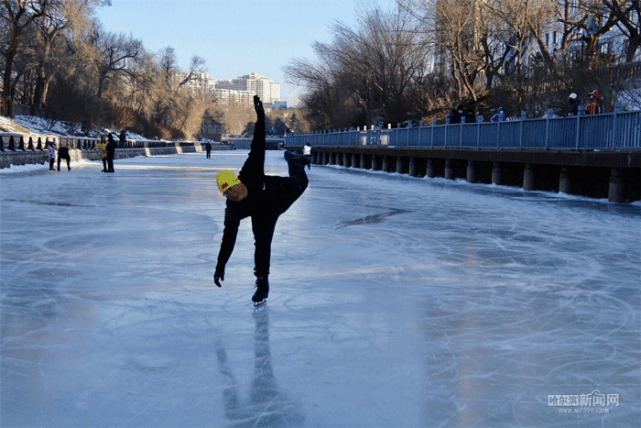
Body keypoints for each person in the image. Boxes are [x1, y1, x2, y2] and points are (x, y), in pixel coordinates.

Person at [214, 96, 309, 305]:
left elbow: (258, 142)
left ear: (237, 182)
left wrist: (260, 115)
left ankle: (296, 162)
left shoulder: (250, 171)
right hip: (264, 214)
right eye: (228, 194)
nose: (233, 195)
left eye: (233, 190)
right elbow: (228, 239)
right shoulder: (233, 208)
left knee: (302, 181)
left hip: (281, 192)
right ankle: (262, 283)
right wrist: (220, 266)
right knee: (262, 244)